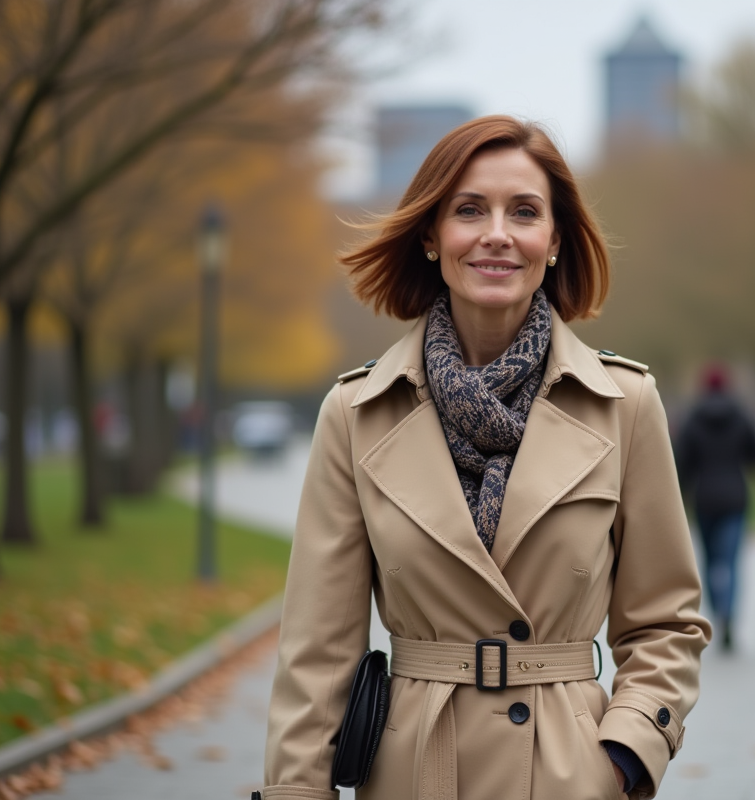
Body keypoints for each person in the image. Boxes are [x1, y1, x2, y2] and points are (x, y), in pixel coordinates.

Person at [262, 116, 710, 800]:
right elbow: (317, 653)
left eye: (524, 212)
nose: (496, 233)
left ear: (553, 241)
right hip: (414, 772)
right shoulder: (355, 414)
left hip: (571, 775)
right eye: (469, 210)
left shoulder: (625, 404)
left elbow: (666, 623)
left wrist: (625, 755)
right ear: (432, 237)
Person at [675, 363, 755, 651]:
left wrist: (676, 500)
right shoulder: (742, 416)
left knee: (710, 562)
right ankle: (729, 616)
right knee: (732, 562)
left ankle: (718, 611)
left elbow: (681, 464)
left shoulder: (693, 419)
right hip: (736, 498)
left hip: (705, 498)